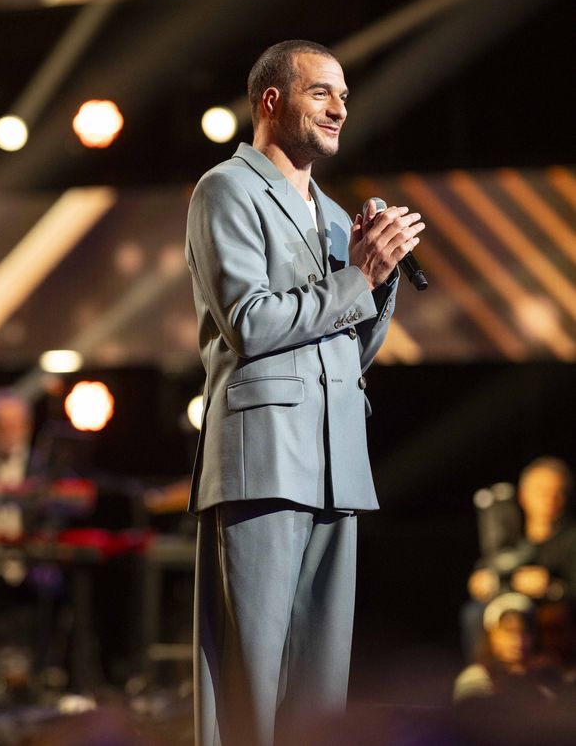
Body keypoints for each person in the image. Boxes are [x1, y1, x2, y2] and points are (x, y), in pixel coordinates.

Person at [185, 40, 425, 746]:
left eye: (344, 95)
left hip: (336, 461)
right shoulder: (225, 189)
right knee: (253, 678)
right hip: (263, 457)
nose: (340, 107)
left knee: (320, 692)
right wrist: (358, 277)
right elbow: (252, 324)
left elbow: (350, 353)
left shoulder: (329, 210)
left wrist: (374, 282)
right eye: (322, 92)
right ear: (272, 101)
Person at [462, 457, 576, 661]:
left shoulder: (571, 539)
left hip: (550, 615)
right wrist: (479, 582)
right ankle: (483, 677)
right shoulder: (509, 533)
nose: (549, 499)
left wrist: (552, 588)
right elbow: (490, 565)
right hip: (506, 609)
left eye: (557, 492)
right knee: (474, 612)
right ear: (523, 495)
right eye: (541, 491)